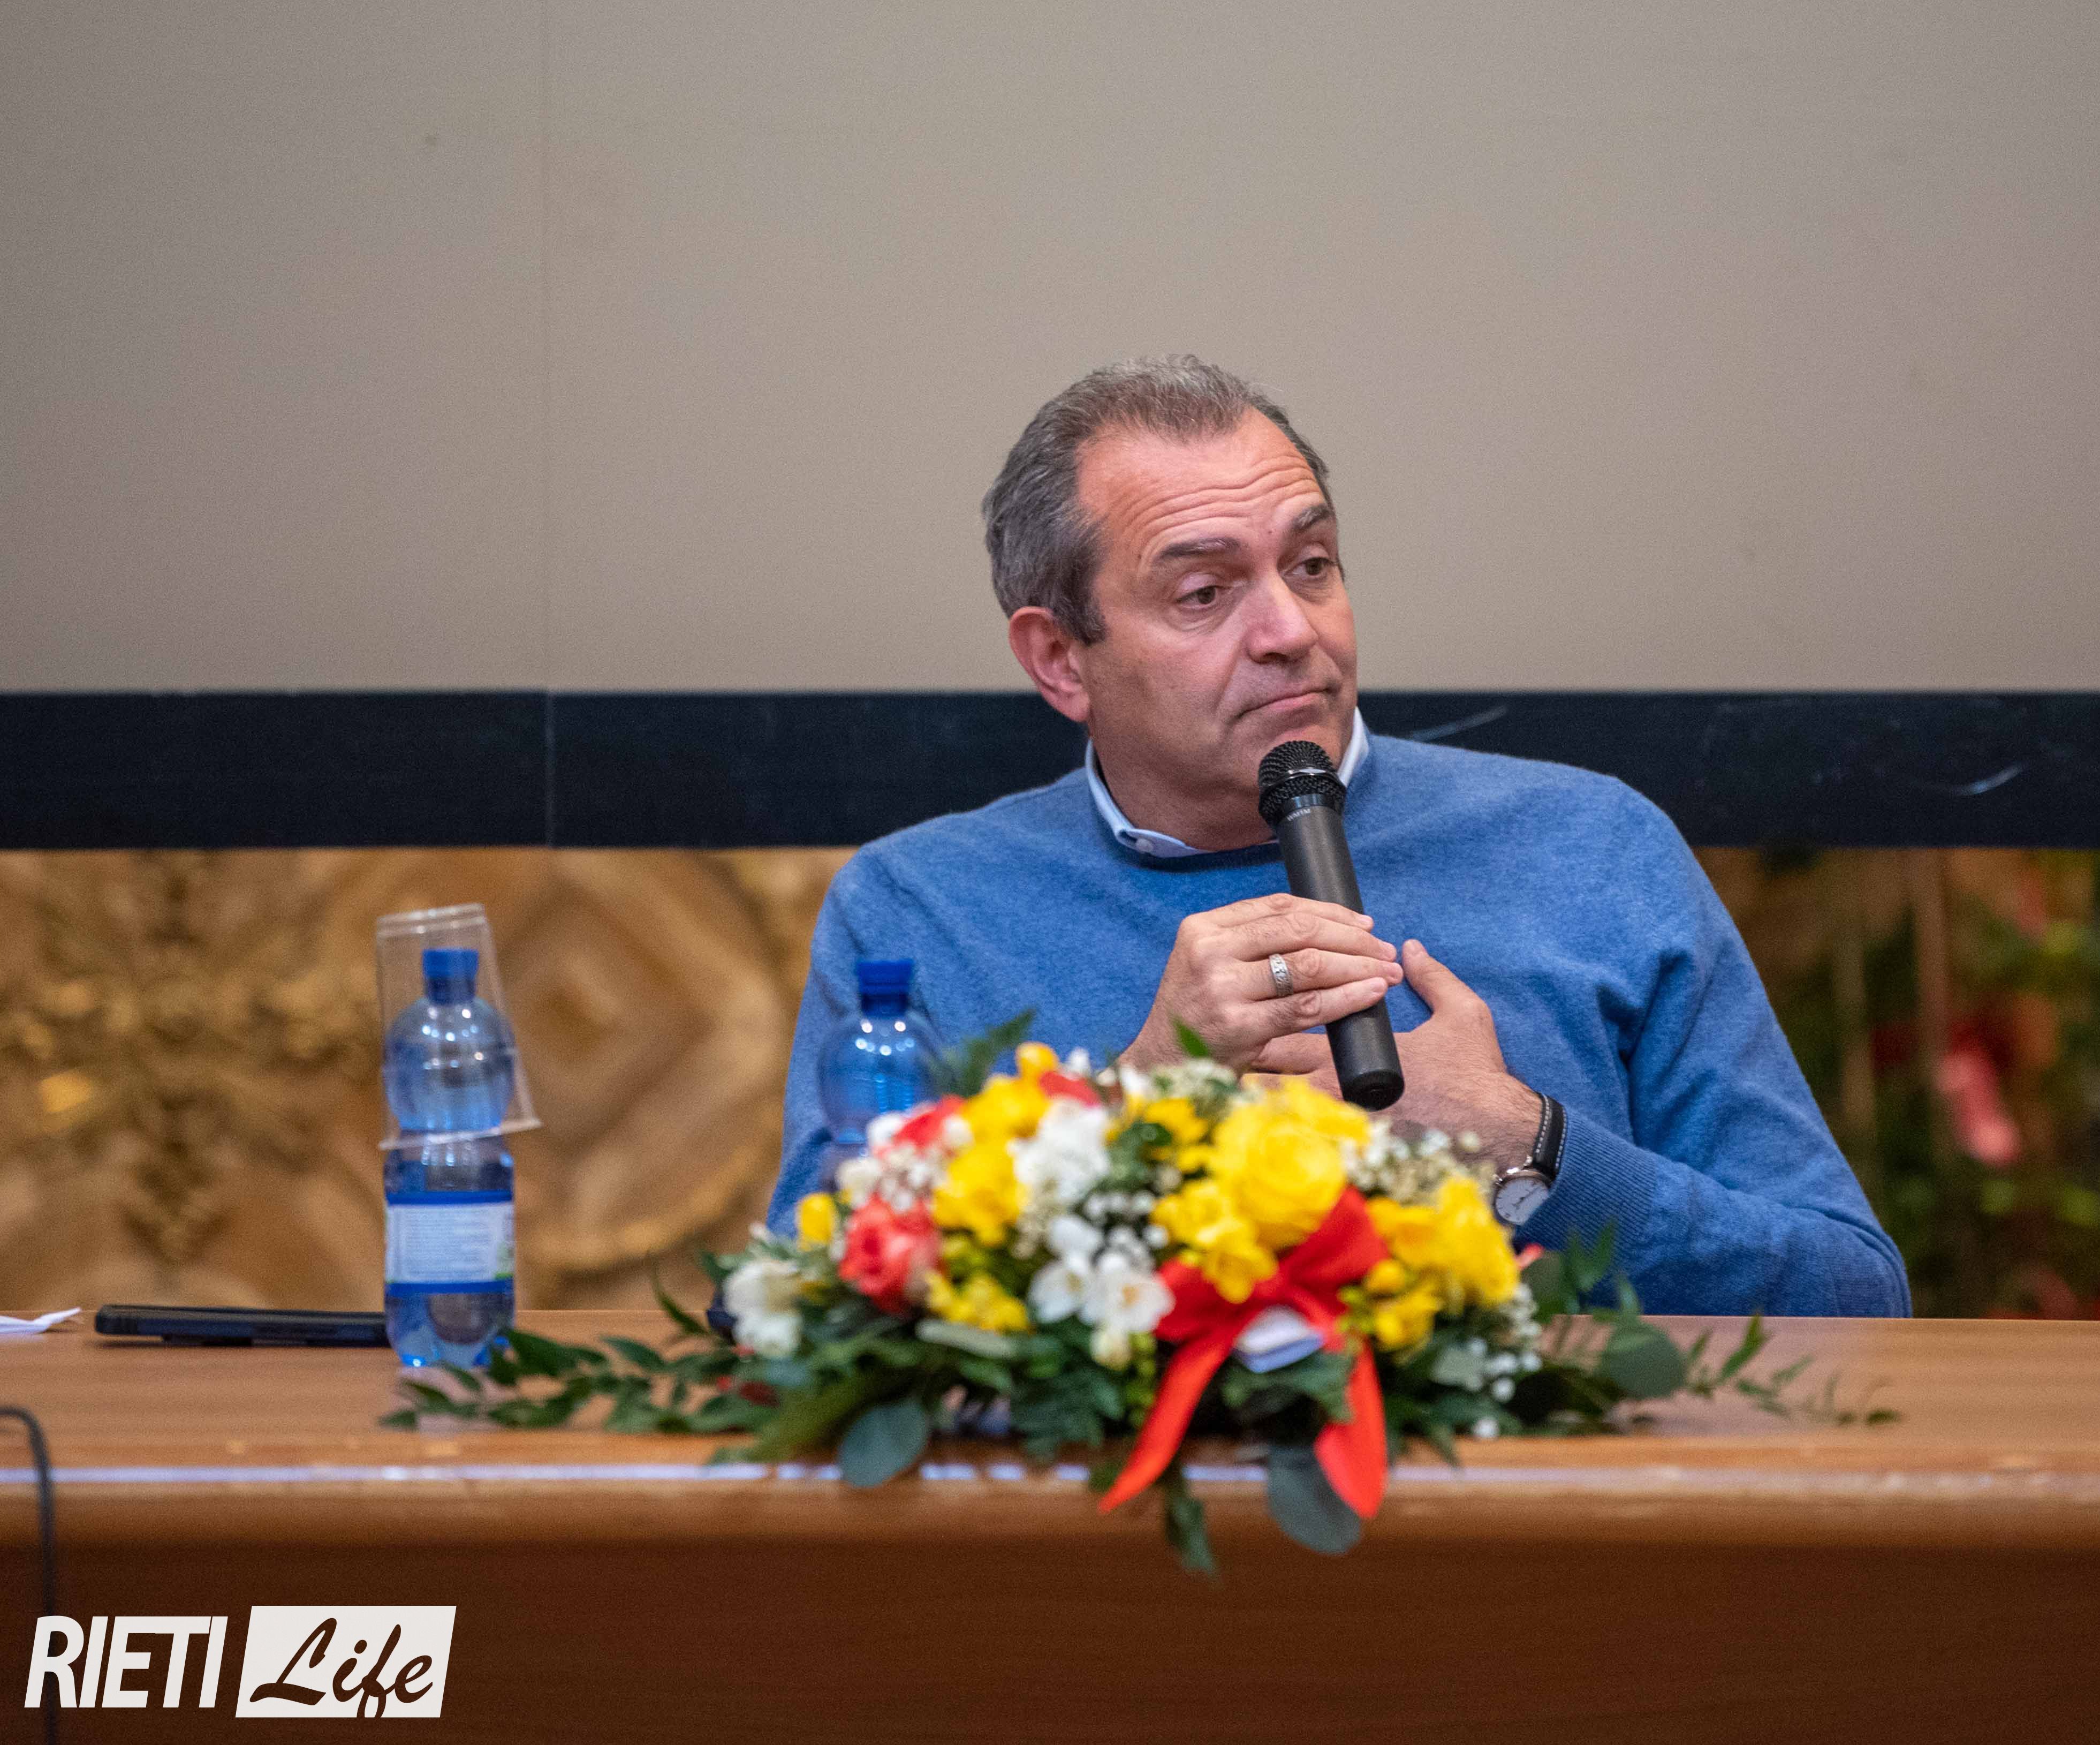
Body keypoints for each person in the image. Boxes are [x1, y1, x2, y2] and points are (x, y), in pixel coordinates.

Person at [771, 357, 1907, 1316]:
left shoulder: (1594, 846)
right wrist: (1136, 1096)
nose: (1289, 629)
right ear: (1060, 659)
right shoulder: (917, 908)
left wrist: (1526, 1143)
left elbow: (1855, 1296)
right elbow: (808, 1308)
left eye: (1310, 565)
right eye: (1205, 593)